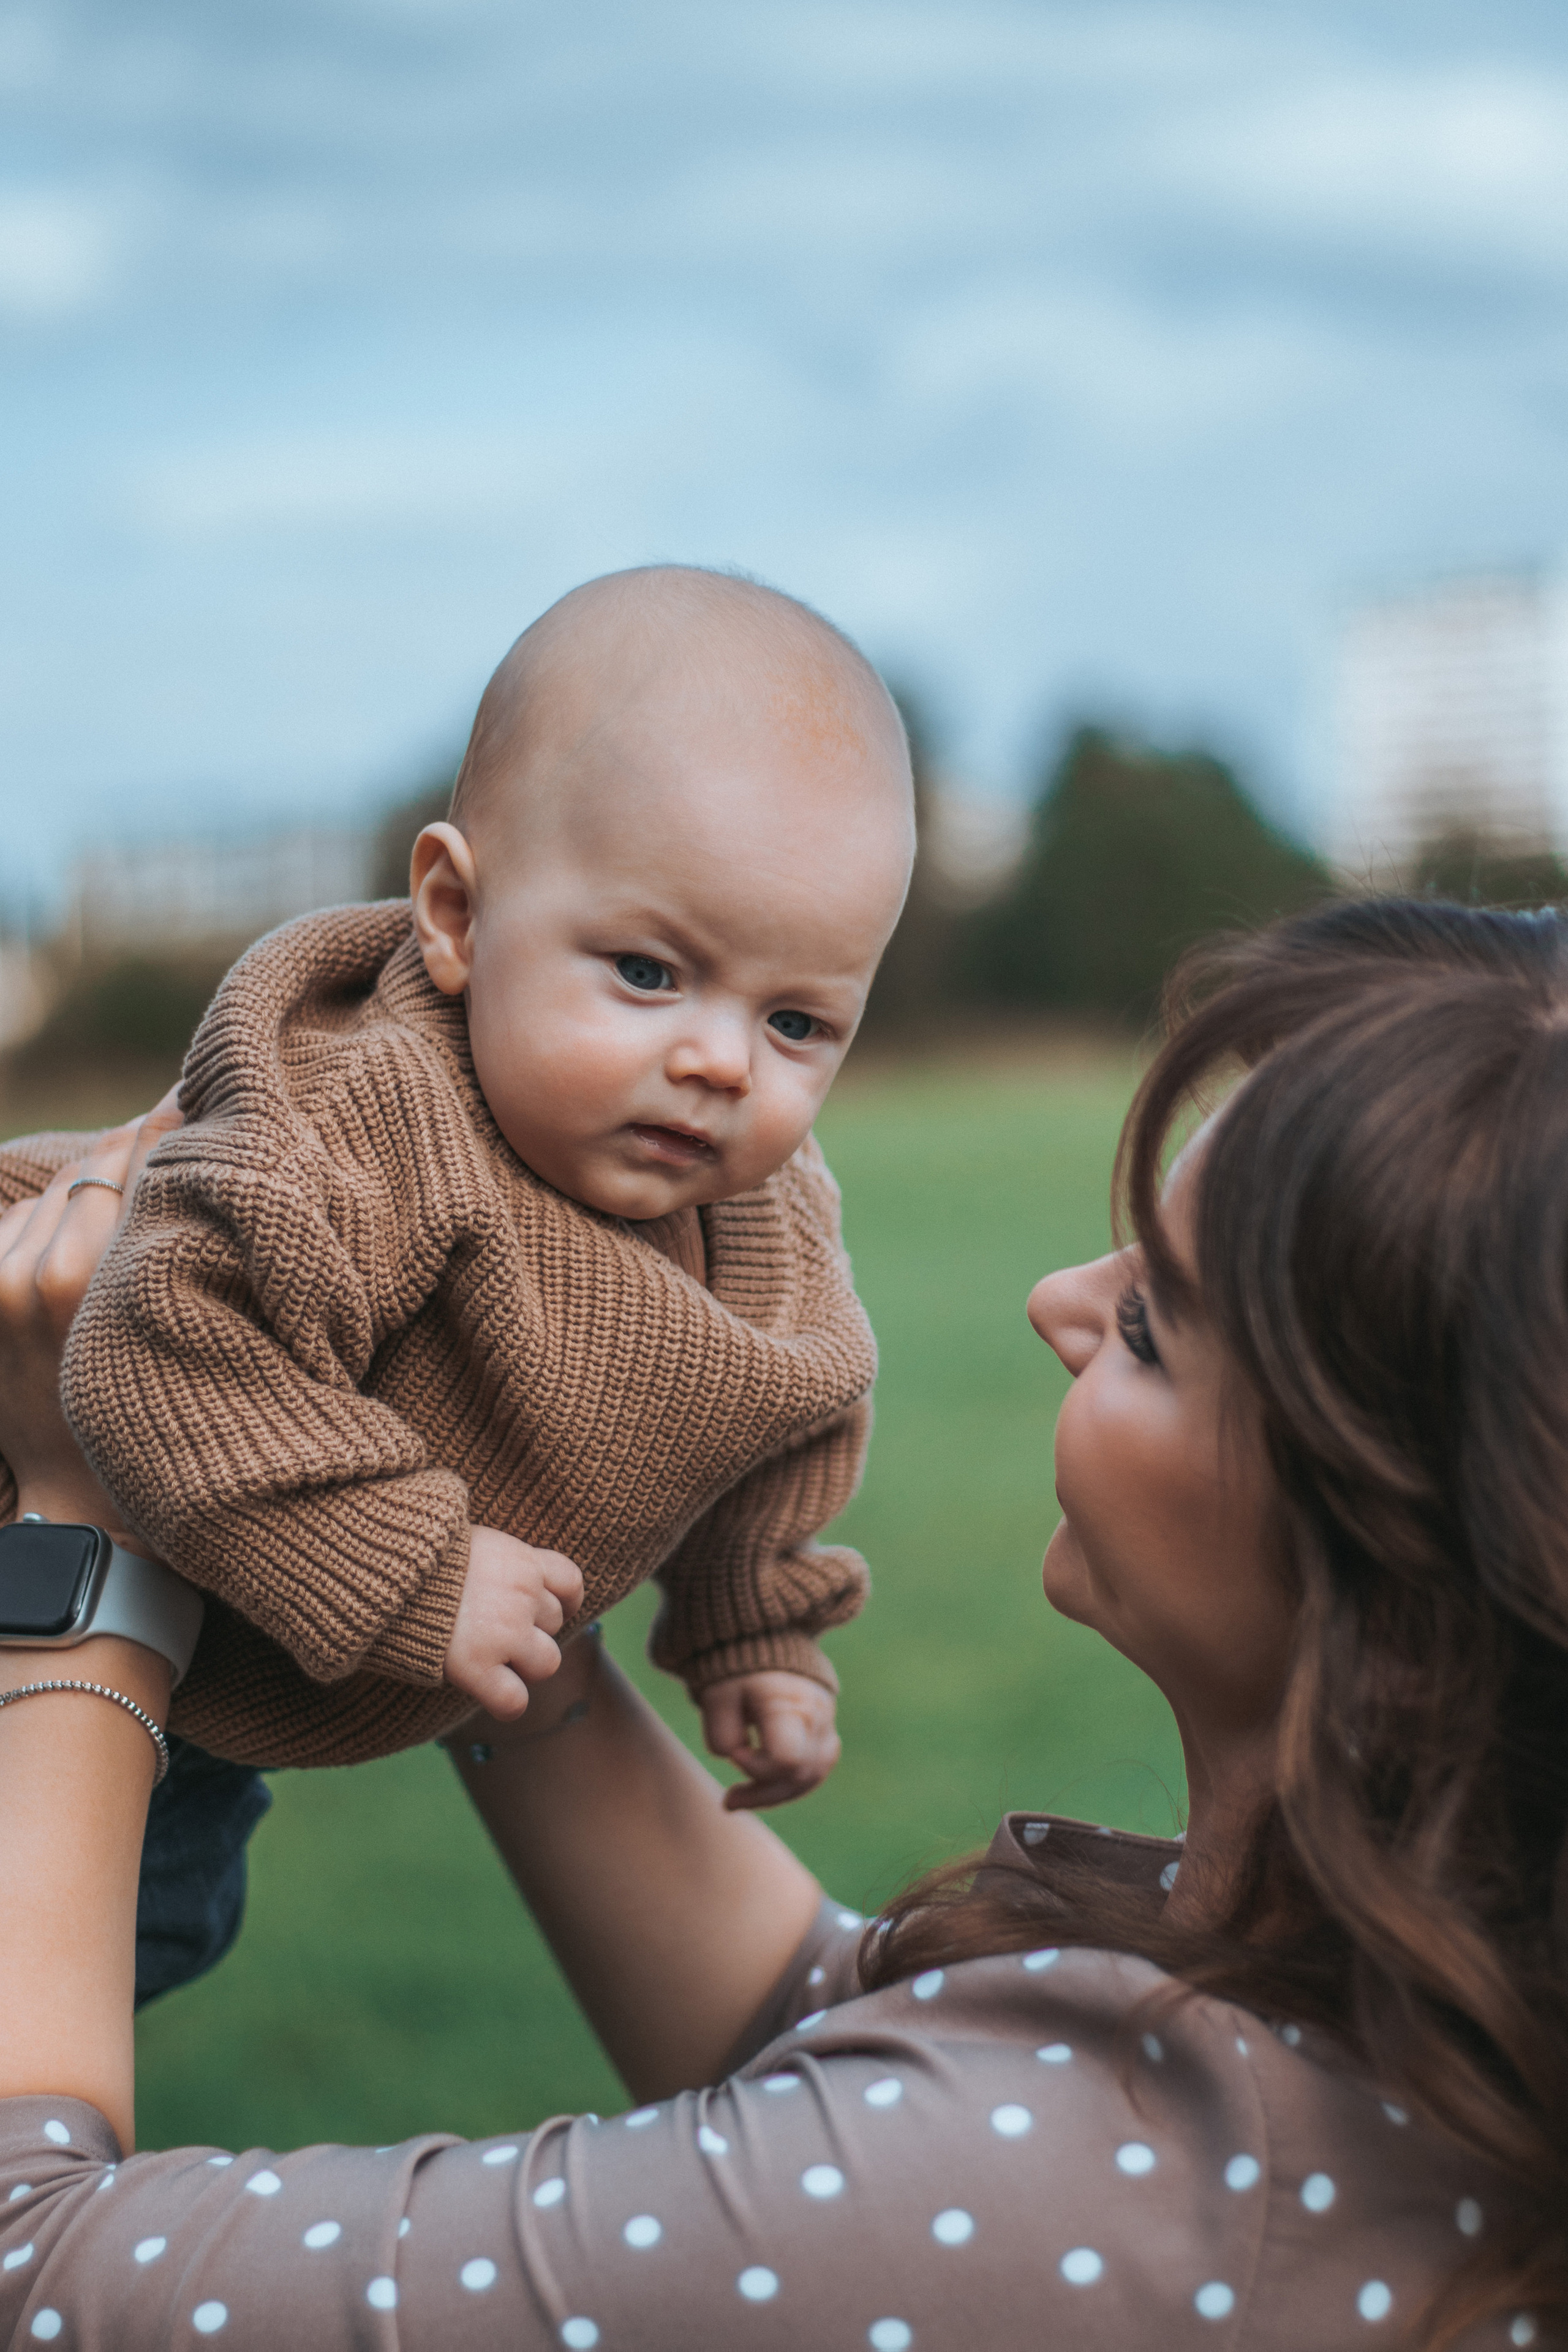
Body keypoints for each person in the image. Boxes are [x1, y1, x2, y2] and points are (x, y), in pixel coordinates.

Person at [2, 895, 1566, 2350]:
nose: (1057, 1301)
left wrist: (79, 1515)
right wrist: (475, 1544)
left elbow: (38, 2269)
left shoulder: (1133, 2192)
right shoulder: (1414, 2025)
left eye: (1150, 1324)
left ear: (1398, 1552)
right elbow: (818, 2043)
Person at [0, 564, 914, 2005]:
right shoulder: (369, 1125)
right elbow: (158, 1342)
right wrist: (417, 1569)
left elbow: (784, 1425)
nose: (722, 1060)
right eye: (646, 971)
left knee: (150, 1942)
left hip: (222, 1653)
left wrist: (755, 1630)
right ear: (454, 915)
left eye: (796, 1019)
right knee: (102, 1955)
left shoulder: (765, 1230)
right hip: (44, 1537)